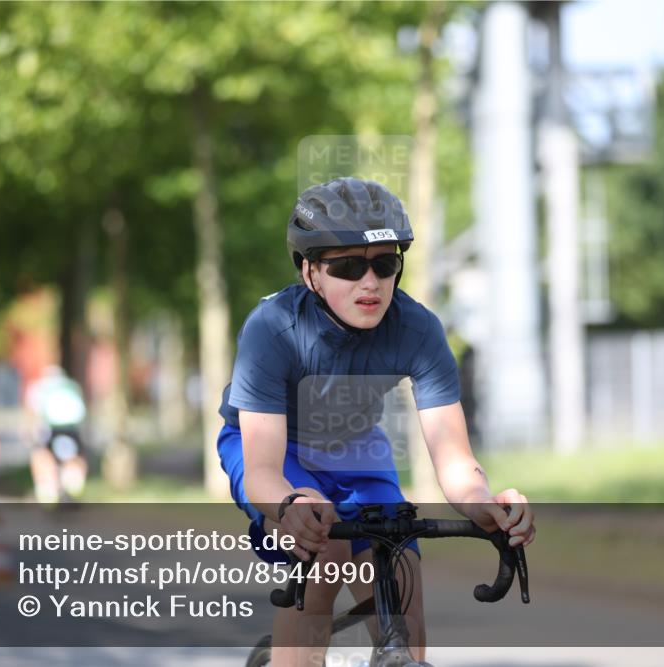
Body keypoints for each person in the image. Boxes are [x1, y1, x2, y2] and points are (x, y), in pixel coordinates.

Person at [217, 177, 536, 667]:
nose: (370, 282)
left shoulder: (418, 328)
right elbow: (263, 470)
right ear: (310, 272)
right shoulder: (272, 328)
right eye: (347, 266)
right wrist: (291, 504)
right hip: (271, 448)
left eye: (385, 264)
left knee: (401, 573)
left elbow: (455, 459)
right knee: (324, 555)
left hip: (354, 445)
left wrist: (484, 503)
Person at [24, 365, 88, 504]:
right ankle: (73, 478)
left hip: (49, 428)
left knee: (41, 454)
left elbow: (33, 412)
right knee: (74, 456)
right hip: (72, 428)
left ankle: (47, 487)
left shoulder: (39, 388)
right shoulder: (72, 386)